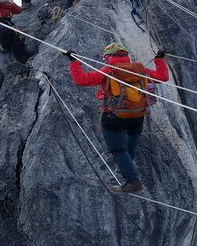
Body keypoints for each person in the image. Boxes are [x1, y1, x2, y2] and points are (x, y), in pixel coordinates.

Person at [66, 43, 169, 193]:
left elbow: (82, 80)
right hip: (139, 113)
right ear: (126, 56)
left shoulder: (109, 70)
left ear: (108, 57)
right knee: (131, 138)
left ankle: (133, 182)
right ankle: (127, 164)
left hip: (114, 115)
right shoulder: (140, 70)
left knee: (118, 150)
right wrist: (159, 59)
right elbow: (163, 77)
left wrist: (74, 62)